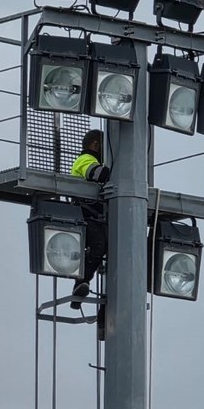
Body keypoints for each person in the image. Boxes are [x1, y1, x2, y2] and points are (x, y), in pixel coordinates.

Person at [69, 129, 110, 308]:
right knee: (99, 244)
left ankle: (103, 308)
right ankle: (81, 282)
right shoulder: (85, 160)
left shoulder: (88, 159)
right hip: (86, 214)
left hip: (94, 215)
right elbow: (98, 174)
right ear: (95, 145)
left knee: (104, 246)